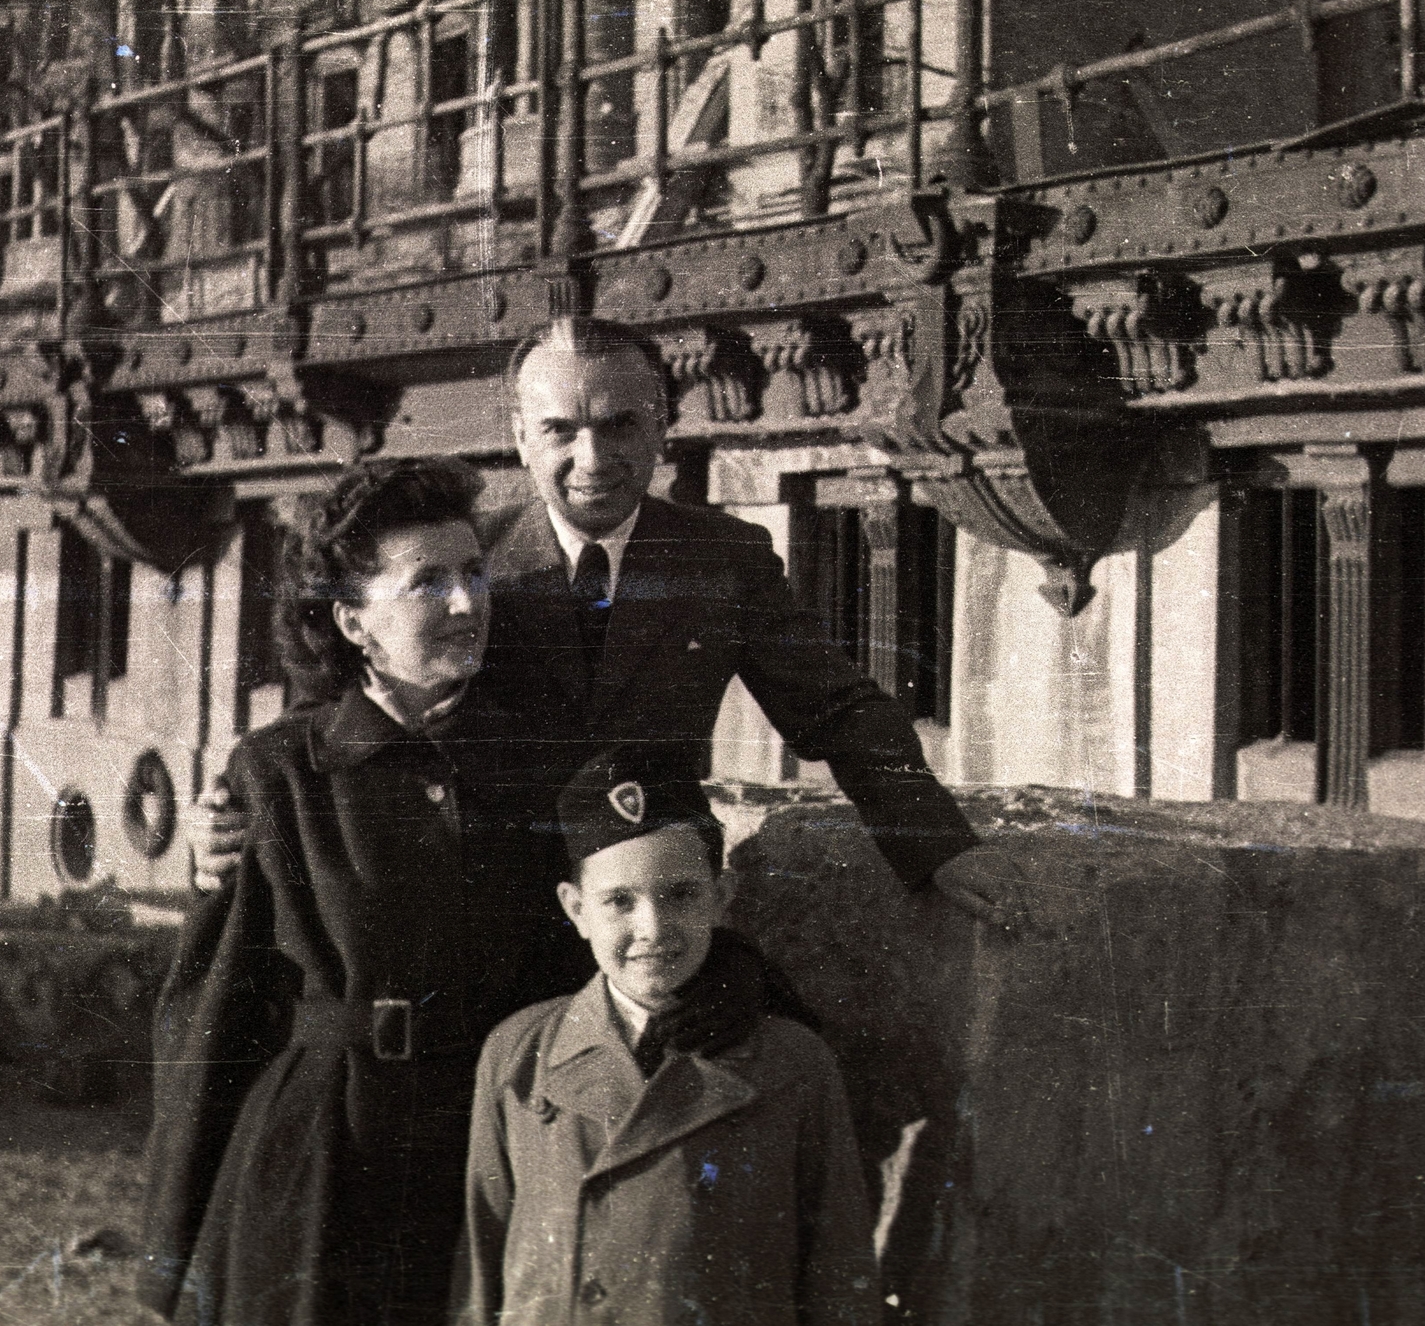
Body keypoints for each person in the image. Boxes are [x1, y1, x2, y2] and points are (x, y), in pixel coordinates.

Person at [138, 459, 769, 1326]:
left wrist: (729, 979)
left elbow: (653, 893)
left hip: (494, 1141)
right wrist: (173, 1247)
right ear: (354, 618)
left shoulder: (550, 760)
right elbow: (212, 1011)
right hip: (321, 1160)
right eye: (428, 581)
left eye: (474, 572)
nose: (469, 603)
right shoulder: (281, 771)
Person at [191, 317, 1027, 925]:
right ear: (521, 438)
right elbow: (332, 714)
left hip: (654, 906)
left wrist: (938, 846)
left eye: (620, 425)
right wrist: (228, 821)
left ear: (663, 426)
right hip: (487, 900)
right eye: (560, 430)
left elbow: (838, 709)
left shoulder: (722, 558)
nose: (592, 460)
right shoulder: (460, 560)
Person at [452, 744, 879, 1326]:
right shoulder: (520, 1051)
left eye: (680, 895)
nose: (651, 928)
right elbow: (482, 1260)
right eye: (618, 902)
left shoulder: (791, 1062)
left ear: (722, 896)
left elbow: (838, 1272)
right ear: (575, 909)